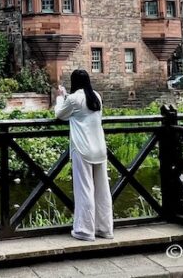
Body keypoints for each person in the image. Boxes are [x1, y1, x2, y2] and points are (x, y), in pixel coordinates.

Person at [54, 68, 113, 241]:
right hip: (99, 147)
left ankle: (85, 230)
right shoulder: (96, 96)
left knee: (84, 189)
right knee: (102, 190)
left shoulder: (73, 99)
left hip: (83, 148)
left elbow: (59, 114)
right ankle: (104, 228)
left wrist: (60, 96)